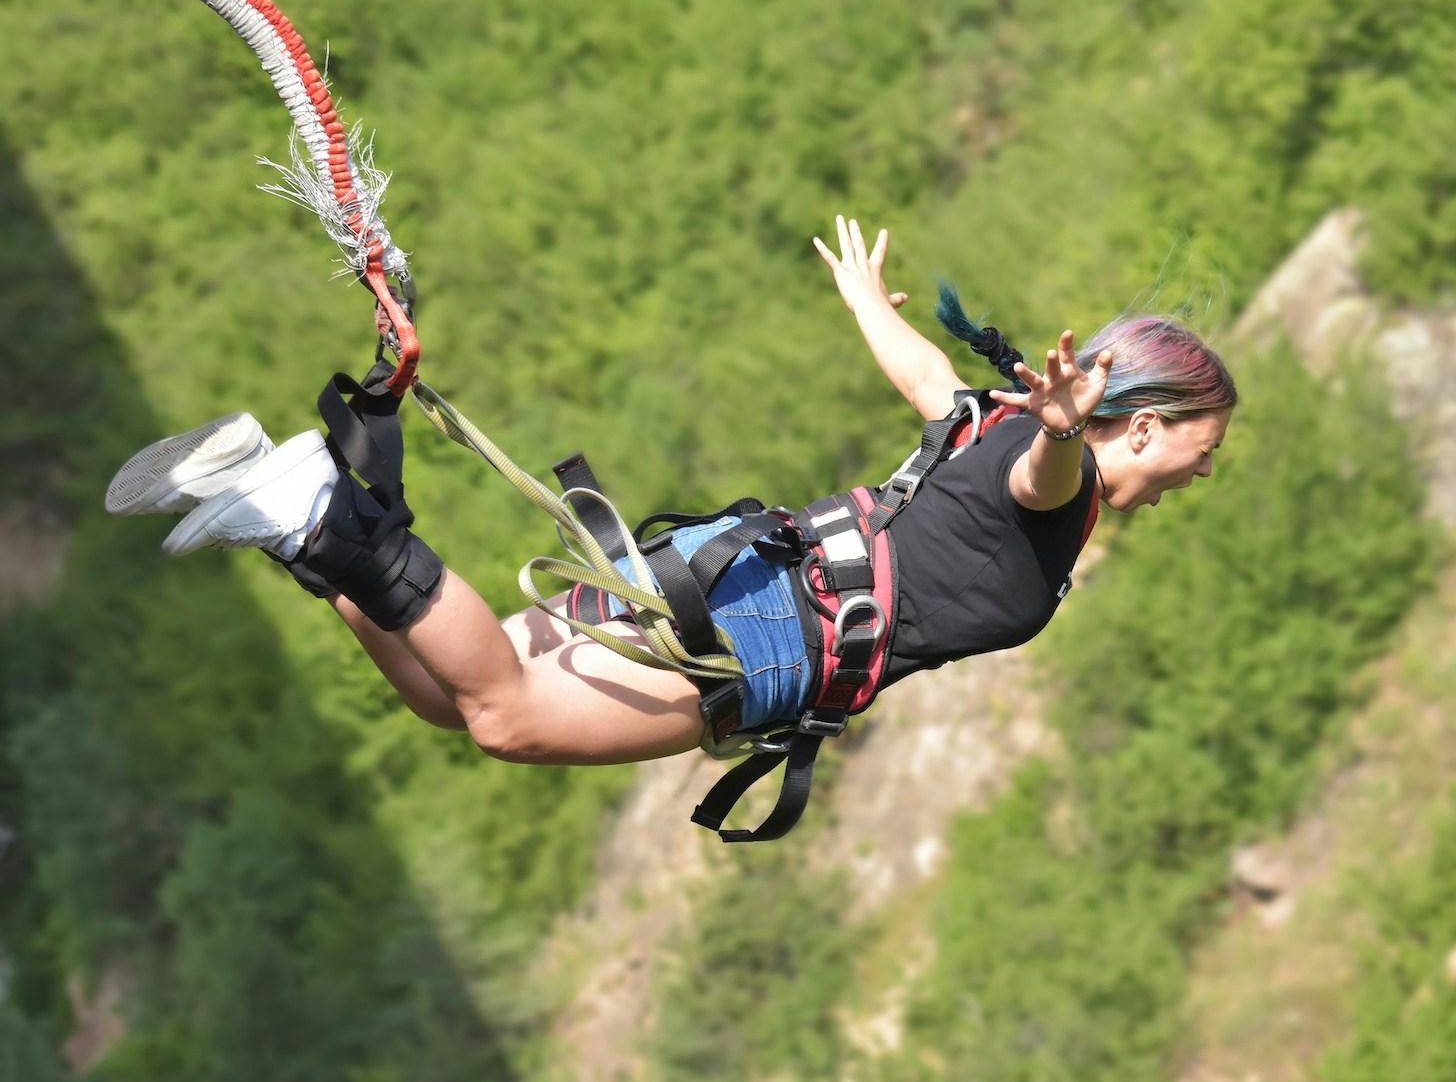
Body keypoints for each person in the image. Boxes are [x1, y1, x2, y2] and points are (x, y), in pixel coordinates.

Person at [106, 217, 1235, 772]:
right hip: (767, 633)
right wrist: (1063, 431)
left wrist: (864, 304)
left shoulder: (992, 417)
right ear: (1144, 426)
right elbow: (1041, 481)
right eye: (1205, 450)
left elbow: (927, 381)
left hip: (739, 572)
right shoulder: (1057, 472)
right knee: (504, 717)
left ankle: (291, 522)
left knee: (452, 701)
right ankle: (315, 508)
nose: (1203, 473)